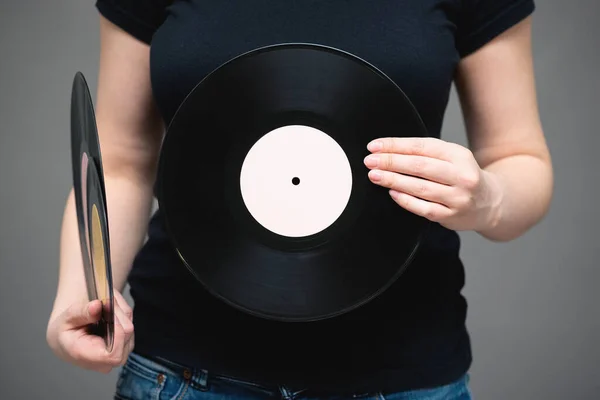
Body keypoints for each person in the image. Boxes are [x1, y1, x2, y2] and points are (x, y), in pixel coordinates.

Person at [46, 0, 553, 399]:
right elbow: (121, 160)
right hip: (182, 375)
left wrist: (488, 198)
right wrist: (83, 292)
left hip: (402, 378)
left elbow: (520, 157)